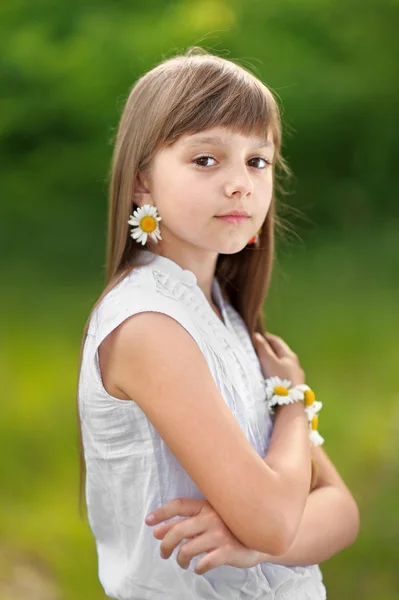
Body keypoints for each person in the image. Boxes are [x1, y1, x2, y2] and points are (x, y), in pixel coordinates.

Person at [76, 46, 360, 600]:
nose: (240, 184)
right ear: (142, 183)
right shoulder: (149, 324)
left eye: (257, 161)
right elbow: (277, 519)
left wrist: (254, 542)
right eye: (206, 160)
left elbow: (342, 512)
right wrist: (293, 402)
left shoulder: (226, 316)